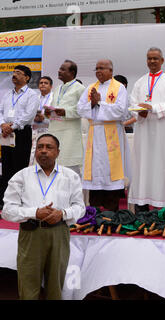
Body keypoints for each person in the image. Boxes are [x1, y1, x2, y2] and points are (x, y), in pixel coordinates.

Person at [2, 133, 85, 299]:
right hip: (31, 234)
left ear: (58, 152)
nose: (44, 151)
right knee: (28, 286)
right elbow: (7, 211)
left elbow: (80, 207)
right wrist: (34, 213)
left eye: (49, 147)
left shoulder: (70, 176)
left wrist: (62, 214)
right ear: (35, 151)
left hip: (59, 233)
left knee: (55, 287)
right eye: (40, 147)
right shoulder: (21, 176)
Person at [127, 47, 165, 211]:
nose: (152, 61)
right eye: (149, 58)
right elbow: (132, 104)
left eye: (155, 58)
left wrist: (153, 108)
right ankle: (141, 204)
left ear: (162, 61)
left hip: (163, 131)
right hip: (144, 131)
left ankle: (164, 206)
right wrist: (139, 113)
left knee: (162, 165)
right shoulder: (140, 82)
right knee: (142, 165)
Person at [77, 59, 131, 212]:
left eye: (102, 68)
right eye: (97, 68)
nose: (98, 71)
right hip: (95, 133)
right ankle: (94, 209)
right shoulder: (90, 88)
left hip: (112, 131)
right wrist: (92, 104)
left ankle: (111, 209)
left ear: (111, 71)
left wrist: (100, 103)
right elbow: (80, 109)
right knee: (95, 170)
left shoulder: (119, 88)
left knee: (110, 171)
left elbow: (121, 111)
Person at [0, 65, 39, 209]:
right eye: (13, 72)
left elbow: (29, 115)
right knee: (6, 165)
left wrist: (12, 126)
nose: (14, 75)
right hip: (5, 133)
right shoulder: (7, 94)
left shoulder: (32, 95)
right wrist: (3, 124)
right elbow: (0, 111)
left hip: (21, 133)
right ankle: (5, 200)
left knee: (19, 167)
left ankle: (19, 201)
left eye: (18, 73)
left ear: (27, 77)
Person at [45, 60, 85, 175]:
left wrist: (66, 112)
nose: (59, 71)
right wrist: (49, 112)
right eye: (60, 68)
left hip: (70, 135)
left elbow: (83, 110)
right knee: (55, 166)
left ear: (72, 72)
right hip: (55, 132)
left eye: (63, 69)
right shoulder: (58, 88)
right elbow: (55, 108)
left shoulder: (80, 88)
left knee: (69, 169)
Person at [30, 76, 53, 164]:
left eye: (46, 83)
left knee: (45, 158)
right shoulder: (34, 98)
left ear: (51, 86)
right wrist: (34, 118)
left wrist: (44, 118)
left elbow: (58, 117)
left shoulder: (54, 98)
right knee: (32, 158)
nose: (43, 84)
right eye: (41, 83)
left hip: (48, 130)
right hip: (34, 130)